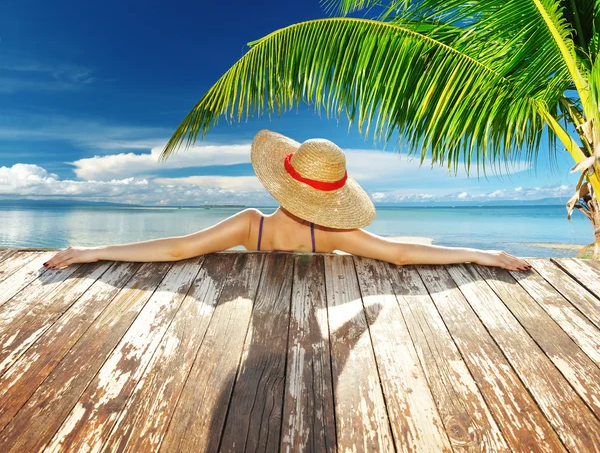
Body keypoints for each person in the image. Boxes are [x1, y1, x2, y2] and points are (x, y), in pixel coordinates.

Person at [42, 129, 532, 272]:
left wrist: (92, 251)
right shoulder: (337, 236)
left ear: (282, 181)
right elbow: (403, 253)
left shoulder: (250, 226)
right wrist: (479, 254)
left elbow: (175, 249)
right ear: (333, 196)